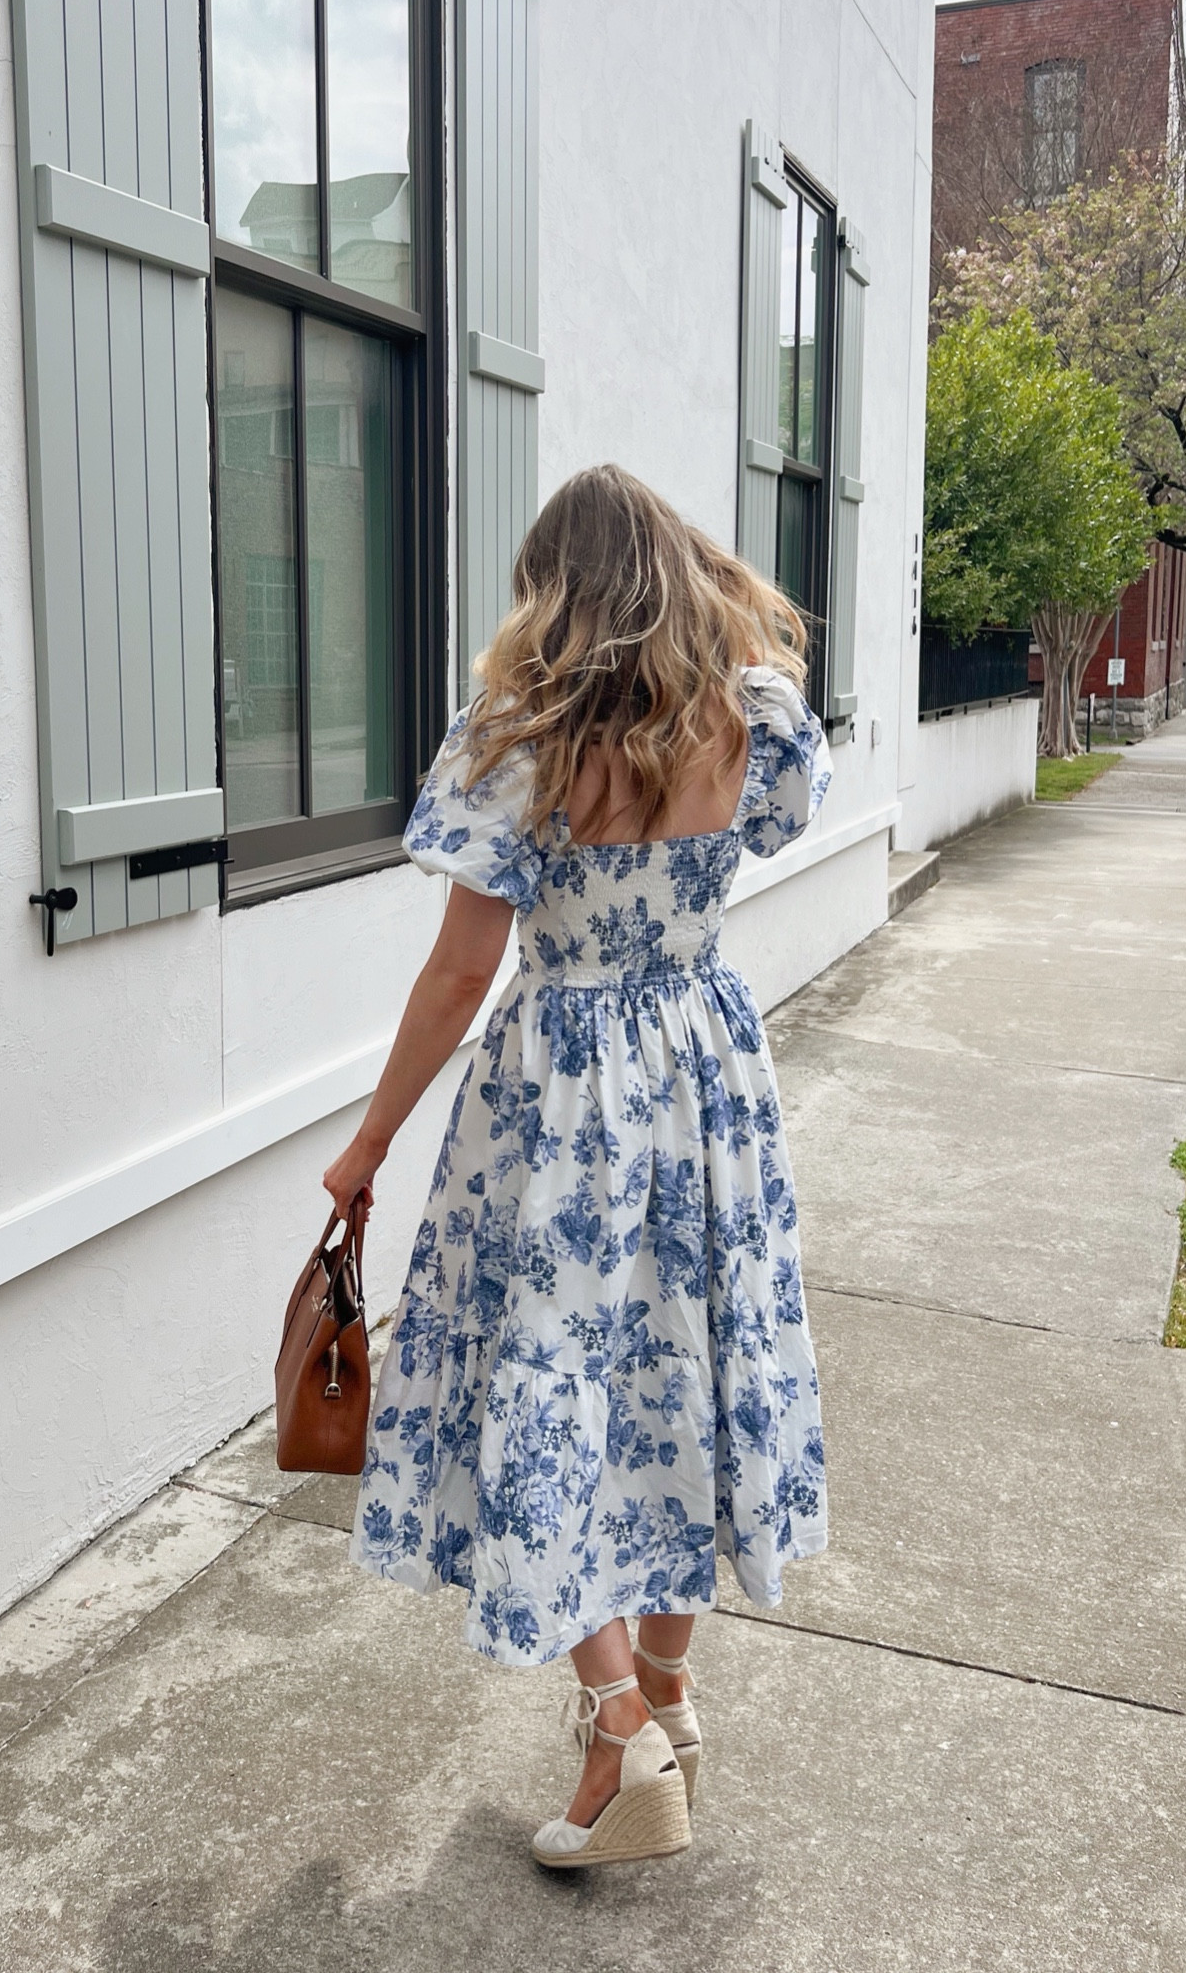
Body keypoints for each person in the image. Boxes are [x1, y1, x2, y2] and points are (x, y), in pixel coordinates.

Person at [323, 464, 832, 1870]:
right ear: (679, 574)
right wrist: (720, 595)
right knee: (688, 1366)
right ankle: (664, 1698)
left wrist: (369, 1144)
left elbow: (459, 972)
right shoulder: (748, 714)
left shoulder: (522, 735)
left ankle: (622, 1721)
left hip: (564, 1088)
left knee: (539, 1372)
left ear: (549, 587)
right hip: (707, 1068)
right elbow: (784, 804)